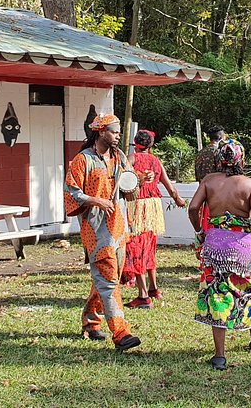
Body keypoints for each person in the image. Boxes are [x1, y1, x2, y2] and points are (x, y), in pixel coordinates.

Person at [188, 140, 251, 370]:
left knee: (217, 293)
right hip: (241, 246)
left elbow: (193, 208)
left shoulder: (208, 181)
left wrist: (200, 231)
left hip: (214, 244)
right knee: (248, 289)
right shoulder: (249, 184)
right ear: (241, 160)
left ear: (219, 159)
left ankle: (219, 355)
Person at [64, 113, 142, 352]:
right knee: (108, 281)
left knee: (108, 279)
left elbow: (130, 188)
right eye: (113, 131)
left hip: (119, 228)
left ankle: (91, 322)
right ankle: (121, 333)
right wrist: (96, 200)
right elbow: (71, 192)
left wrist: (138, 181)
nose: (117, 136)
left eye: (118, 132)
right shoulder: (83, 160)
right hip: (96, 231)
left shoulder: (119, 157)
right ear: (100, 132)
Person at [123, 129, 186, 309]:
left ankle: (143, 296)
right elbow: (170, 187)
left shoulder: (131, 159)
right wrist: (178, 200)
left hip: (138, 207)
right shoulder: (156, 161)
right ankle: (154, 289)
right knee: (149, 247)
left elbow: (124, 181)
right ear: (151, 145)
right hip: (154, 209)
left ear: (135, 143)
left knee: (136, 248)